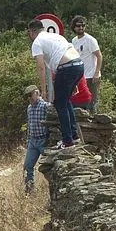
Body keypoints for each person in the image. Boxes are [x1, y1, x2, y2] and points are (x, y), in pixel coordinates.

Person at [28, 19, 84, 149]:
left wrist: (43, 90)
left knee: (59, 104)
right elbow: (66, 53)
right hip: (78, 65)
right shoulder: (56, 36)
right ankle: (74, 136)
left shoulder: (37, 42)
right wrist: (73, 83)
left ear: (32, 31)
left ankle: (67, 140)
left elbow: (41, 67)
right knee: (65, 100)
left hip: (66, 67)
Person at [71, 16, 102, 114]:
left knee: (92, 103)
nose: (81, 28)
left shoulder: (90, 40)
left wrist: (96, 73)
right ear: (74, 27)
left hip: (91, 76)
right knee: (81, 103)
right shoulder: (74, 41)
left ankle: (95, 124)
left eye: (83, 25)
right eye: (78, 26)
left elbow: (99, 56)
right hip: (80, 77)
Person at [23, 85, 49, 194]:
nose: (29, 98)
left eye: (31, 95)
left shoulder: (45, 106)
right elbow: (30, 125)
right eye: (27, 97)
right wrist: (28, 140)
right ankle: (30, 190)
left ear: (37, 93)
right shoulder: (29, 108)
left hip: (44, 140)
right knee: (28, 166)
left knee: (50, 166)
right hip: (33, 141)